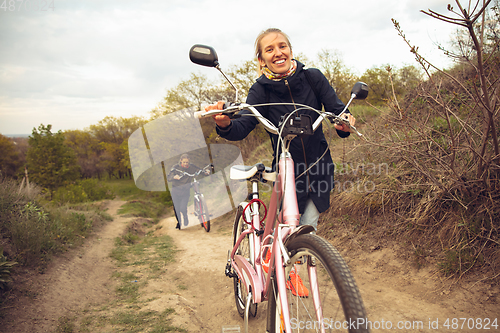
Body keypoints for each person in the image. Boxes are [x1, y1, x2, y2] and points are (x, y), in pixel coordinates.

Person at [205, 28, 356, 296]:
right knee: (289, 223)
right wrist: (225, 123)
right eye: (270, 49)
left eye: (282, 46)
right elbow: (243, 125)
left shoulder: (312, 78)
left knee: (309, 222)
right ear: (262, 59)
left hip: (320, 163)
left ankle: (291, 265)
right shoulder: (260, 89)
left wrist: (344, 123)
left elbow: (336, 110)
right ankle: (286, 268)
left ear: (290, 50)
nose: (278, 52)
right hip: (287, 167)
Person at [167, 154, 209, 230]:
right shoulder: (175, 168)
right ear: (181, 161)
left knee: (183, 208)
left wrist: (205, 172)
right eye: (184, 162)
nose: (186, 164)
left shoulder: (191, 167)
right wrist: (174, 177)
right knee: (177, 209)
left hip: (185, 191)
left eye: (187, 162)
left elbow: (200, 171)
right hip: (175, 191)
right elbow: (169, 177)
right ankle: (179, 222)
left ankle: (185, 217)